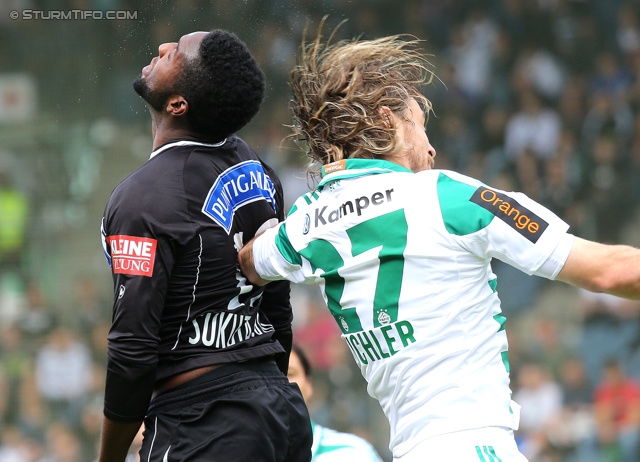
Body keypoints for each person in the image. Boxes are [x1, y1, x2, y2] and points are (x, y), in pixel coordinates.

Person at [237, 29, 640, 462]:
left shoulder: (303, 226)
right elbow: (609, 271)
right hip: (476, 447)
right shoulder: (444, 196)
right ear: (390, 121)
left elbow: (250, 261)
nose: (430, 149)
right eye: (420, 126)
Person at [98, 30, 312, 462]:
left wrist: (109, 457)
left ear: (178, 105)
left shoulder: (143, 199)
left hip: (204, 427)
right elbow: (277, 307)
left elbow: (132, 348)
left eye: (175, 52)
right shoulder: (256, 171)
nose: (161, 48)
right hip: (280, 413)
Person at [287, 343, 384, 462]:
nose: (277, 384)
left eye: (289, 374)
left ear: (309, 384)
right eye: (263, 375)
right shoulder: (327, 375)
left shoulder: (353, 455)